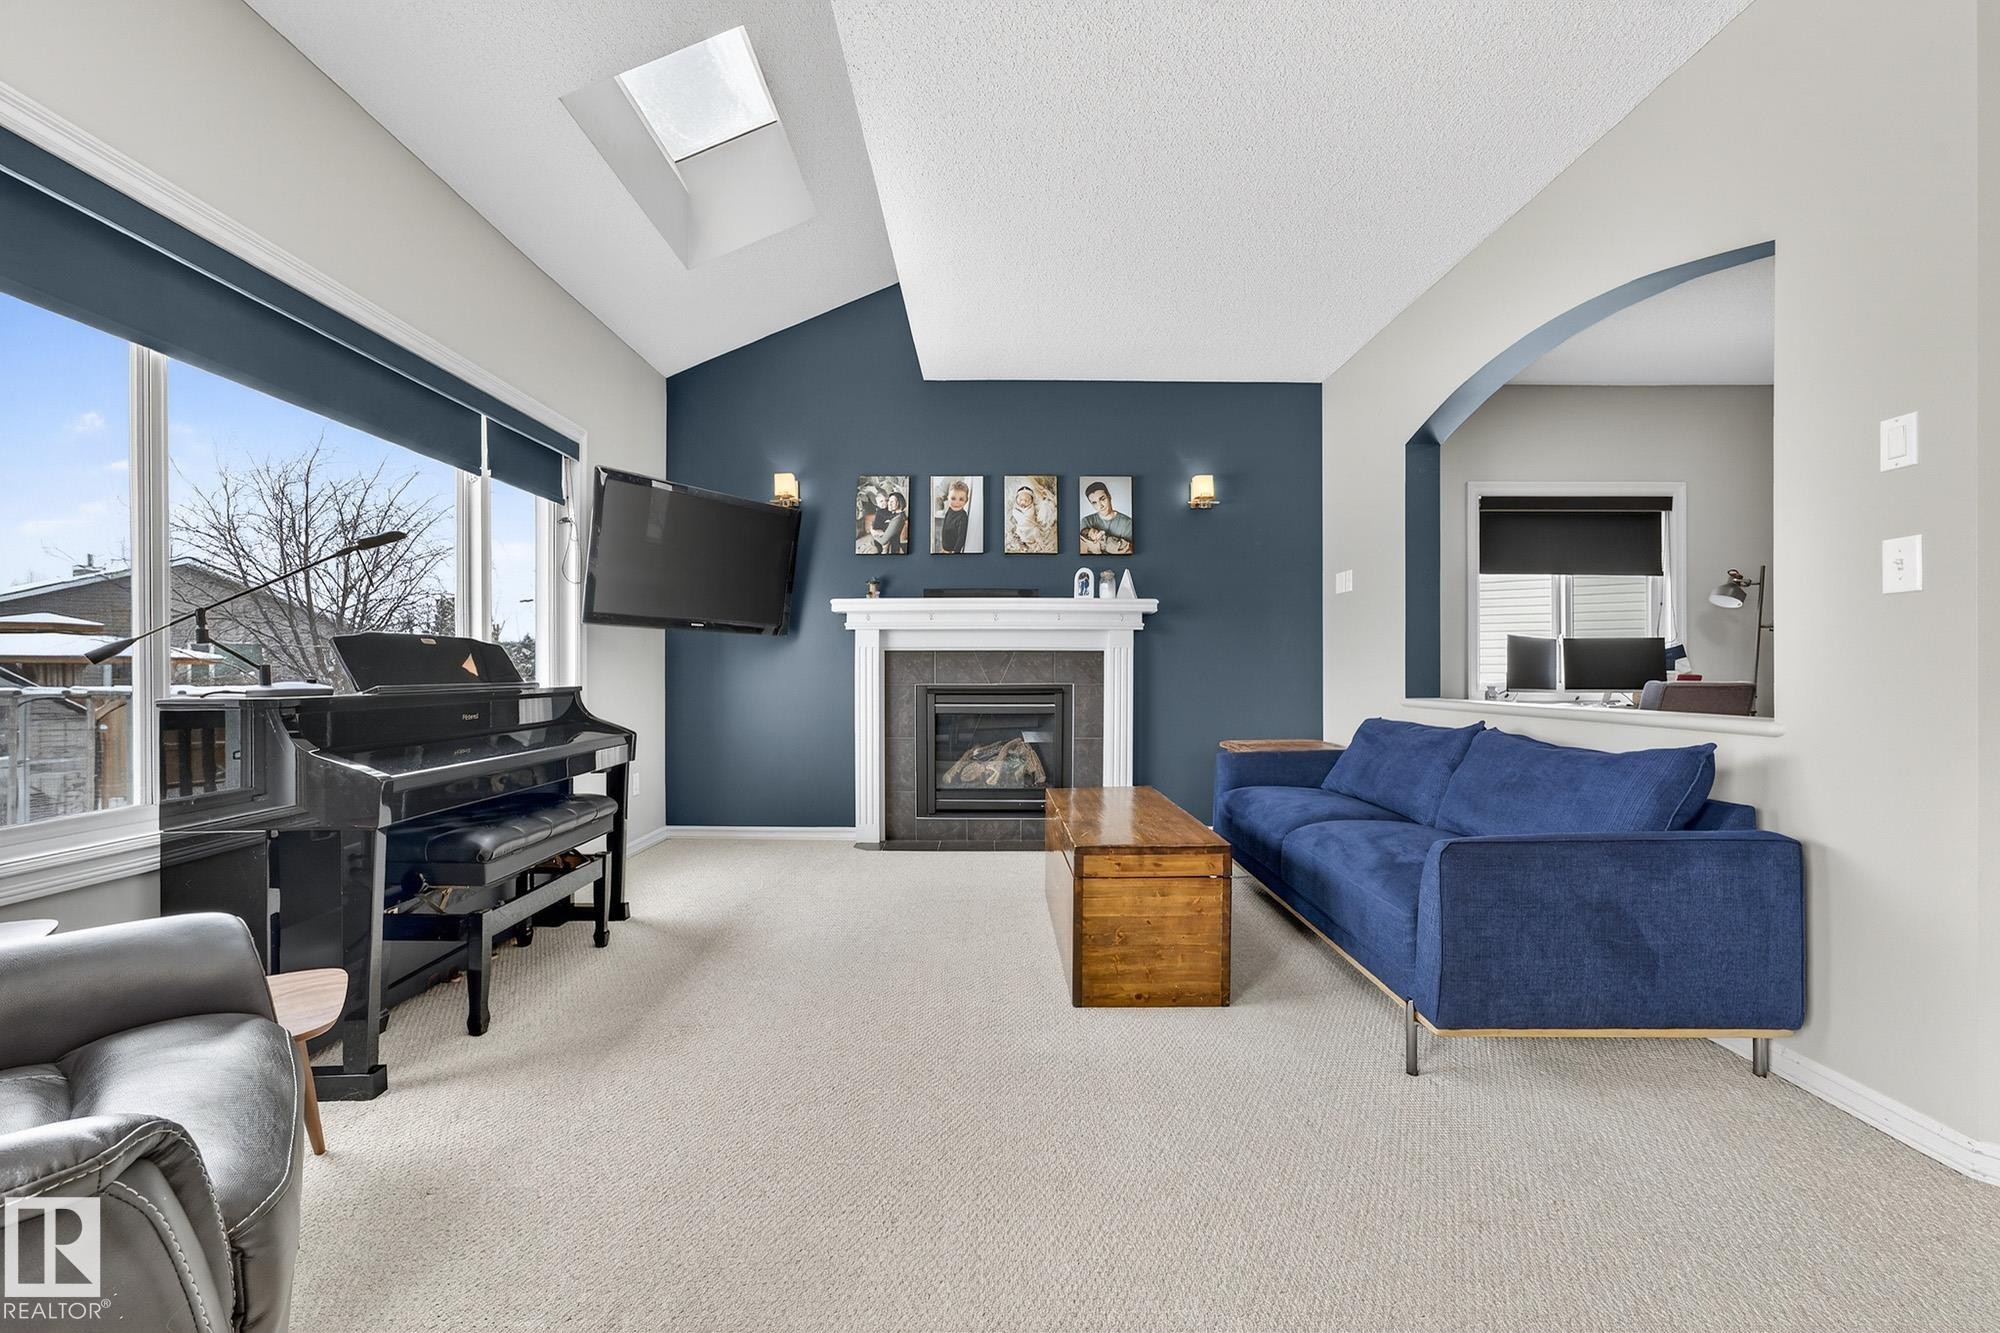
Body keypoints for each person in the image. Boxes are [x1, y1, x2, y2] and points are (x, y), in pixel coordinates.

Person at [1078, 480, 1133, 555]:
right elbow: (1084, 552)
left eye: (1102, 499)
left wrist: (1098, 543)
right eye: (1094, 503)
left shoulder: (1128, 523)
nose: (1100, 506)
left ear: (1109, 497)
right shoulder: (1086, 521)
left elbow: (1128, 552)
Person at [1007, 481, 1059, 553]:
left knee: (1037, 533)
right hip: (1021, 528)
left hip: (1032, 528)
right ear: (1016, 499)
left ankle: (1040, 545)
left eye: (1027, 500)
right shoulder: (1015, 509)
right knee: (1018, 534)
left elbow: (1039, 509)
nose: (1023, 502)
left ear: (1032, 500)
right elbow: (1016, 516)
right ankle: (1023, 545)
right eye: (1020, 499)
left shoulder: (1032, 508)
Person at [938, 479, 971, 554]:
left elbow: (961, 537)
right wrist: (942, 546)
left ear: (966, 501)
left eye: (961, 499)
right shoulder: (949, 511)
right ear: (948, 498)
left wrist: (955, 552)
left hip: (952, 551)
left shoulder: (963, 516)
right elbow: (944, 528)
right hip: (944, 548)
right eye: (953, 498)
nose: (956, 502)